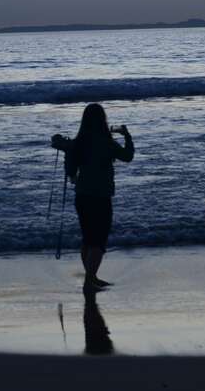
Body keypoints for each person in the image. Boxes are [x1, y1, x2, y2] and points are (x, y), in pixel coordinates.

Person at [63, 103, 134, 291]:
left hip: (82, 196)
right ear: (103, 120)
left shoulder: (79, 142)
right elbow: (127, 156)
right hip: (101, 196)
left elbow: (70, 169)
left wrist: (74, 176)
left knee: (88, 238)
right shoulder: (107, 142)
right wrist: (126, 135)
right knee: (99, 240)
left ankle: (91, 277)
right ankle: (90, 279)